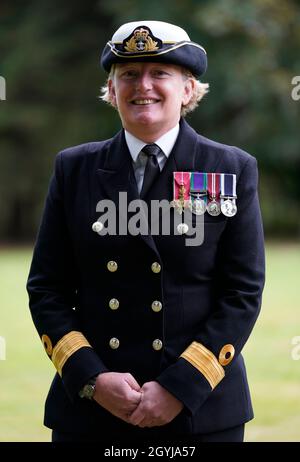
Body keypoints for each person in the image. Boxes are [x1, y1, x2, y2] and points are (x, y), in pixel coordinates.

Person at [27, 20, 265, 443]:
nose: (144, 86)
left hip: (199, 410)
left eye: (160, 74)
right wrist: (92, 379)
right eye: (129, 75)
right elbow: (48, 288)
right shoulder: (73, 168)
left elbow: (242, 292)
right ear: (112, 90)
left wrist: (180, 387)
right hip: (91, 410)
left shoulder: (229, 168)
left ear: (188, 89)